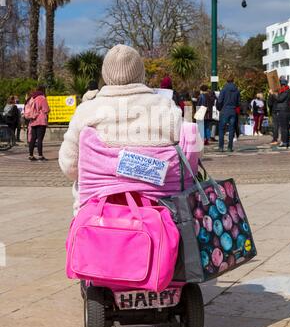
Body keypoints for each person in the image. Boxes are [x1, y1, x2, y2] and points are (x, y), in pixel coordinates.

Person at [58, 44, 194, 216]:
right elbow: (190, 162)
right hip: (164, 215)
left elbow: (70, 167)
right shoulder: (166, 107)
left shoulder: (87, 111)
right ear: (141, 73)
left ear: (105, 75)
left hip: (98, 217)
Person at [26, 85, 50, 161]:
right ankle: (40, 156)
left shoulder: (32, 98)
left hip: (33, 120)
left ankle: (31, 155)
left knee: (33, 138)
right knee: (40, 139)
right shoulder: (42, 98)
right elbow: (46, 109)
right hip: (41, 120)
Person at [217, 76, 240, 152]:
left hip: (224, 110)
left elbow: (219, 101)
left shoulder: (224, 89)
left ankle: (221, 147)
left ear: (226, 81)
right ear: (233, 81)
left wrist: (219, 108)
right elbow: (238, 102)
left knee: (221, 129)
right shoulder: (236, 90)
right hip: (233, 110)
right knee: (231, 129)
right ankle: (230, 147)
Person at [269, 76, 290, 149]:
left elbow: (279, 99)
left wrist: (272, 94)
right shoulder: (285, 90)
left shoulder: (286, 91)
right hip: (284, 109)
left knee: (284, 128)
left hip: (283, 110)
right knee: (285, 128)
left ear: (282, 84)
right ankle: (287, 143)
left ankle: (284, 143)